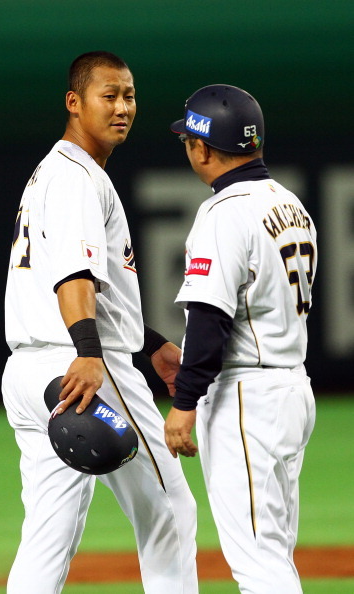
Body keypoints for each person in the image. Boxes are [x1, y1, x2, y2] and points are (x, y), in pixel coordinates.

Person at [2, 51, 198, 594]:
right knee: (169, 512)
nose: (122, 107)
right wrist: (90, 353)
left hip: (31, 368)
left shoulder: (55, 172)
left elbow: (81, 283)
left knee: (49, 533)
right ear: (74, 102)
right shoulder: (75, 178)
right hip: (81, 367)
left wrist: (148, 342)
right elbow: (72, 278)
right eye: (107, 95)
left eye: (129, 95)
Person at [164, 84, 317, 593]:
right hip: (292, 391)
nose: (188, 148)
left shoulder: (224, 211)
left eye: (189, 140)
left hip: (248, 400)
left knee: (258, 563)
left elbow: (209, 318)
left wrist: (185, 403)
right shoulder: (290, 203)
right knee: (274, 551)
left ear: (204, 148)